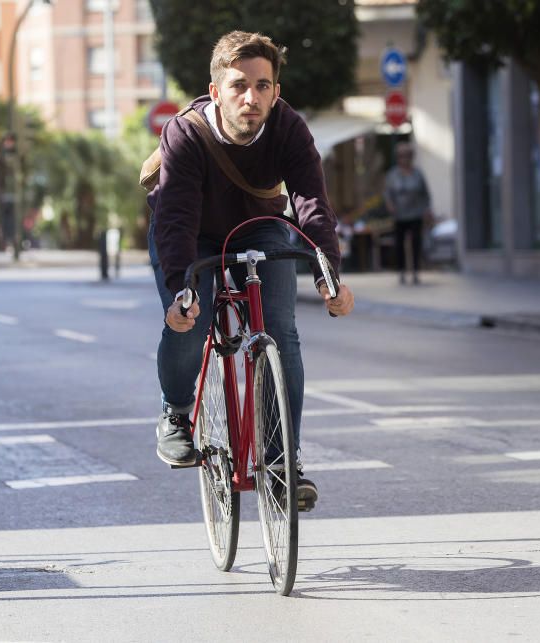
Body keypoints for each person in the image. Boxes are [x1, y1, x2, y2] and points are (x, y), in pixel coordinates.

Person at [147, 30, 354, 511]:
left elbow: (312, 205)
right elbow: (175, 219)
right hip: (192, 237)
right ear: (216, 91)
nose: (251, 97)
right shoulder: (185, 132)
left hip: (258, 228)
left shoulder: (288, 128)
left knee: (281, 330)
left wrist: (328, 275)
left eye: (263, 86)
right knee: (190, 319)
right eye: (239, 85)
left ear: (275, 91)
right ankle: (176, 413)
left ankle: (283, 463)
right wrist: (181, 287)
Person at [383, 142, 431, 285]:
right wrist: (390, 205)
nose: (404, 159)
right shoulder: (393, 175)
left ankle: (416, 271)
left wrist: (427, 210)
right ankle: (402, 271)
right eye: (401, 156)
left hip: (416, 214)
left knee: (416, 243)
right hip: (399, 215)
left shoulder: (418, 174)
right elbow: (387, 193)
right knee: (399, 244)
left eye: (407, 156)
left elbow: (425, 194)